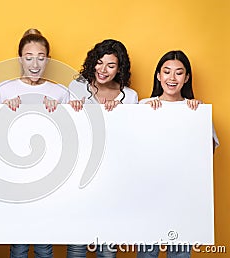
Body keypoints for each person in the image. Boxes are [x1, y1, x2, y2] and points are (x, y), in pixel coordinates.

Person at [136, 50, 219, 258]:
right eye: (167, 72)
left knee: (180, 254)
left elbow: (207, 154)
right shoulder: (143, 105)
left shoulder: (195, 110)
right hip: (149, 193)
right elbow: (131, 150)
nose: (172, 78)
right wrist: (145, 113)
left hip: (183, 195)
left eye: (179, 73)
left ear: (187, 77)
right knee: (147, 253)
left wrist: (196, 120)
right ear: (158, 75)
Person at [0, 28, 68, 258]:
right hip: (15, 175)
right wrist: (5, 109)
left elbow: (71, 134)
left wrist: (60, 112)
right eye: (29, 57)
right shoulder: (5, 89)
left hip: (49, 175)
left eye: (41, 57)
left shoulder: (60, 92)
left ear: (48, 59)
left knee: (45, 243)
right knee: (18, 243)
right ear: (20, 59)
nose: (35, 63)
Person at [67, 39, 138, 258]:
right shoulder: (76, 87)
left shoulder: (130, 96)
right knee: (77, 244)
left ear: (120, 68)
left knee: (107, 246)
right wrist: (71, 108)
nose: (103, 70)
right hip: (80, 176)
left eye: (110, 65)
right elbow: (69, 132)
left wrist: (117, 115)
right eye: (99, 63)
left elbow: (131, 141)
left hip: (113, 179)